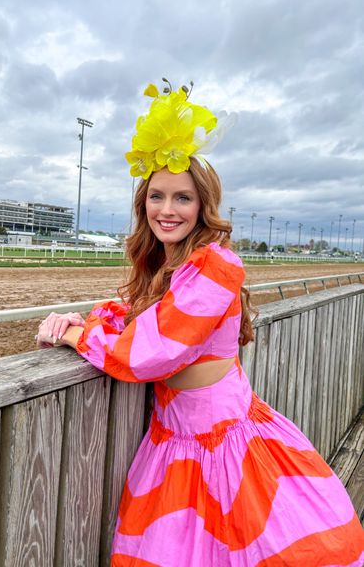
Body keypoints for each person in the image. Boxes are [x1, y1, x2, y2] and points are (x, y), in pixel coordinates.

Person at [37, 81, 364, 566]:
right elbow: (133, 320)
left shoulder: (216, 265)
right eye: (156, 197)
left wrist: (74, 334)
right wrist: (86, 320)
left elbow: (148, 352)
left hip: (224, 445)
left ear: (202, 205)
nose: (166, 210)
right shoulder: (163, 267)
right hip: (173, 441)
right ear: (142, 203)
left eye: (182, 199)